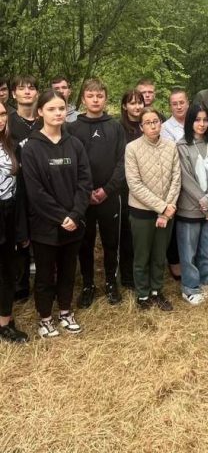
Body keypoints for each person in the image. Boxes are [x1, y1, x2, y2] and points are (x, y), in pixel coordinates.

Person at [21, 89, 92, 338]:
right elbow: (35, 191)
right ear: (40, 112)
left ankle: (64, 312)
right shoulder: (31, 147)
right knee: (44, 274)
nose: (58, 113)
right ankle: (45, 318)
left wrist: (75, 214)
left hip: (74, 224)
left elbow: (85, 182)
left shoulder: (75, 144)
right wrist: (61, 217)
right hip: (45, 226)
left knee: (67, 271)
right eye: (51, 109)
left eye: (61, 108)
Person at [68, 79, 125, 308]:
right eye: (90, 96)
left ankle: (111, 282)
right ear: (83, 98)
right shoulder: (73, 127)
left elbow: (123, 162)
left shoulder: (115, 126)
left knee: (111, 242)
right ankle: (88, 285)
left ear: (105, 98)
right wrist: (87, 191)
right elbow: (72, 164)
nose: (95, 100)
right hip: (84, 197)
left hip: (109, 196)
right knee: (86, 242)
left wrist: (107, 189)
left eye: (99, 96)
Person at [125, 107, 181, 310]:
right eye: (147, 122)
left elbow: (177, 178)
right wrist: (162, 207)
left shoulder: (171, 146)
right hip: (142, 213)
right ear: (141, 127)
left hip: (168, 212)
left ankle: (157, 291)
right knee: (142, 256)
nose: (152, 125)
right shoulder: (132, 148)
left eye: (155, 121)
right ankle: (142, 294)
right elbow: (135, 184)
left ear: (160, 123)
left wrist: (168, 208)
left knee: (159, 254)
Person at [176, 104, 208, 304]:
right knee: (188, 251)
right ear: (190, 122)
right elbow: (185, 178)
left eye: (205, 120)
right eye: (197, 120)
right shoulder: (182, 146)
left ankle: (207, 282)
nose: (202, 124)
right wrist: (204, 202)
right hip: (190, 207)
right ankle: (190, 287)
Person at [8, 75, 41, 302]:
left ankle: (44, 281)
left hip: (43, 189)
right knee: (19, 237)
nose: (27, 92)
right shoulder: (7, 122)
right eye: (22, 88)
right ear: (13, 94)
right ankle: (20, 285)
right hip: (16, 190)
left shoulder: (44, 120)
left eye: (31, 88)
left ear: (37, 93)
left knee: (41, 237)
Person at [0, 101, 28, 343]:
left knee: (7, 269)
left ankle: (4, 321)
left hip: (8, 212)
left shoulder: (11, 145)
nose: (0, 119)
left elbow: (19, 188)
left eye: (1, 114)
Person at [161, 87, 190, 280]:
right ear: (170, 106)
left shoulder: (197, 121)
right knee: (175, 220)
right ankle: (174, 261)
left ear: (188, 103)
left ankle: (191, 258)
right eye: (174, 103)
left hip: (196, 179)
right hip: (176, 179)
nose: (179, 106)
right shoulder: (165, 128)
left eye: (182, 102)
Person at [119, 89, 145, 288]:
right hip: (126, 187)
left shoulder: (150, 123)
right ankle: (127, 276)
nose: (137, 107)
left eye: (140, 103)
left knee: (143, 234)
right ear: (124, 106)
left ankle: (143, 272)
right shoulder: (119, 127)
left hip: (149, 186)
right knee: (128, 233)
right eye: (132, 103)